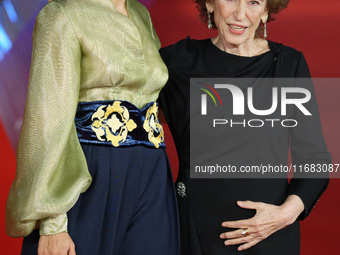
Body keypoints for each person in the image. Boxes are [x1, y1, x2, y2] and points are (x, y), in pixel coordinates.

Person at [6, 0, 179, 254]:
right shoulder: (63, 12)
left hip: (153, 172)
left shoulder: (141, 14)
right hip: (91, 171)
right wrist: (53, 223)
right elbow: (47, 122)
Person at [159, 0, 331, 254]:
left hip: (270, 234)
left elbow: (315, 159)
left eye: (253, 2)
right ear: (209, 3)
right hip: (195, 232)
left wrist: (285, 214)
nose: (240, 14)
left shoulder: (288, 64)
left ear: (265, 11)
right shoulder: (177, 61)